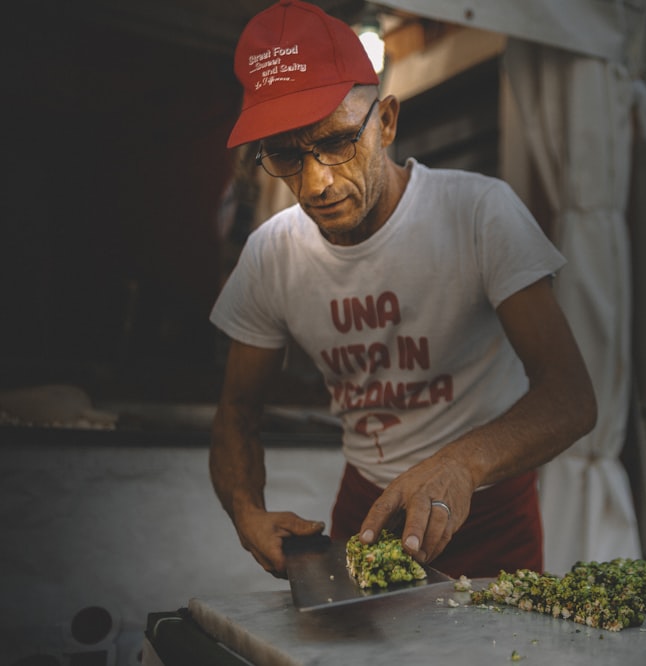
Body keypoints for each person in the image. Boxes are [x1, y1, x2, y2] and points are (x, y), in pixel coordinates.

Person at [209, 0, 597, 580]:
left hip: (486, 509)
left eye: (339, 141)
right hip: (368, 510)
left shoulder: (478, 212)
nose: (316, 182)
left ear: (386, 122)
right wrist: (245, 513)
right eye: (287, 155)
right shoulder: (270, 255)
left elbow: (570, 397)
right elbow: (237, 411)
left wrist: (461, 465)